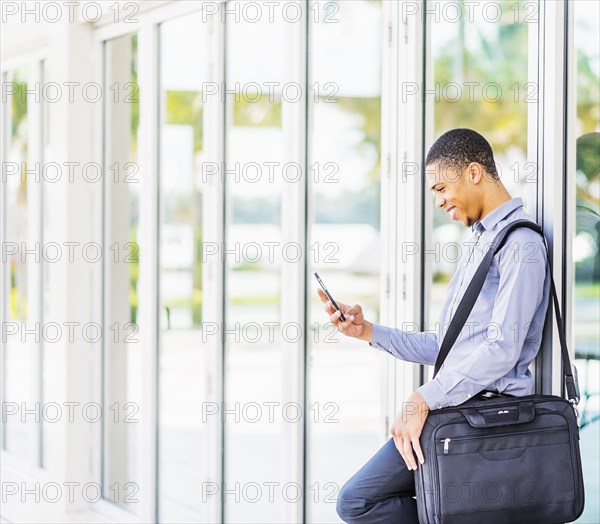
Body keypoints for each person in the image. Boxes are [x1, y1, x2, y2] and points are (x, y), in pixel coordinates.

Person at [317, 128, 551, 523]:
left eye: (442, 187)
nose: (440, 201)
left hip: (480, 416)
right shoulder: (480, 240)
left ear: (474, 172)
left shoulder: (520, 245)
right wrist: (368, 331)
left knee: (358, 503)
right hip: (458, 409)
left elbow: (503, 348)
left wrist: (422, 398)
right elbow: (448, 346)